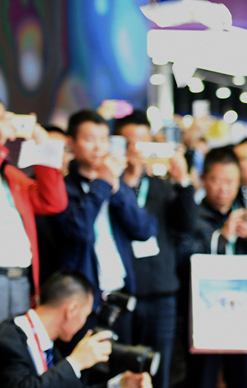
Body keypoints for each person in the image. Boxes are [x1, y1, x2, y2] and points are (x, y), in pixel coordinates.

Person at [53, 110, 158, 355]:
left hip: (119, 295)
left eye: (104, 139)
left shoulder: (114, 184)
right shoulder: (63, 187)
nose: (99, 147)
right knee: (84, 366)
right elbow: (78, 231)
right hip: (81, 302)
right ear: (71, 143)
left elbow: (145, 230)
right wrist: (101, 184)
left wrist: (116, 189)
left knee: (121, 366)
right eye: (90, 139)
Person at [114, 112, 196, 388]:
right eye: (129, 144)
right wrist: (126, 182)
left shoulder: (162, 185)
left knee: (158, 371)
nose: (136, 152)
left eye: (142, 144)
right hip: (122, 294)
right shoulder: (108, 187)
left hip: (161, 293)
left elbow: (186, 225)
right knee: (121, 373)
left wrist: (182, 181)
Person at [188, 146, 247, 388]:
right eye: (216, 180)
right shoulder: (192, 217)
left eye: (230, 182)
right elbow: (183, 259)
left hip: (242, 314)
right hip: (205, 314)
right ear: (204, 179)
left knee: (244, 380)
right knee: (202, 380)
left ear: (239, 182)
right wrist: (223, 237)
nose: (223, 189)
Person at [0, 270, 151, 388]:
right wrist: (76, 362)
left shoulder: (49, 346)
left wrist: (119, 385)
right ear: (72, 310)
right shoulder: (9, 338)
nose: (84, 323)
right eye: (85, 315)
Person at [0, 104, 67, 321]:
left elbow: (53, 202)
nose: (9, 121)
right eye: (2, 118)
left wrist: (43, 148)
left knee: (17, 340)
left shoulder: (10, 176)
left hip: (21, 278)